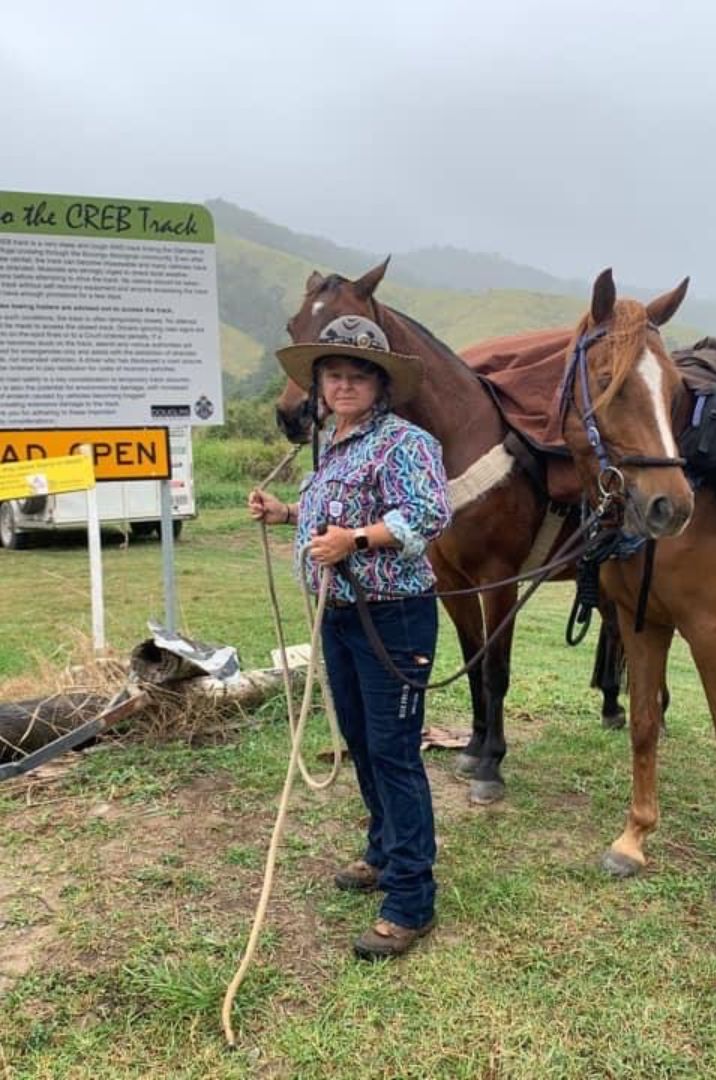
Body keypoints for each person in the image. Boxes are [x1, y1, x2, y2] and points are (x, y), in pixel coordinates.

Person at [248, 315, 452, 960]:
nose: (344, 384)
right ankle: (383, 851)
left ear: (381, 383)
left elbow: (427, 513)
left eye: (358, 374)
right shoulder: (333, 445)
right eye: (333, 374)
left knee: (394, 752)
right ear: (318, 385)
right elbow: (327, 512)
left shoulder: (405, 443)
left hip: (392, 616)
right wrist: (286, 514)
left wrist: (356, 541)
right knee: (361, 741)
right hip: (336, 614)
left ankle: (411, 900)